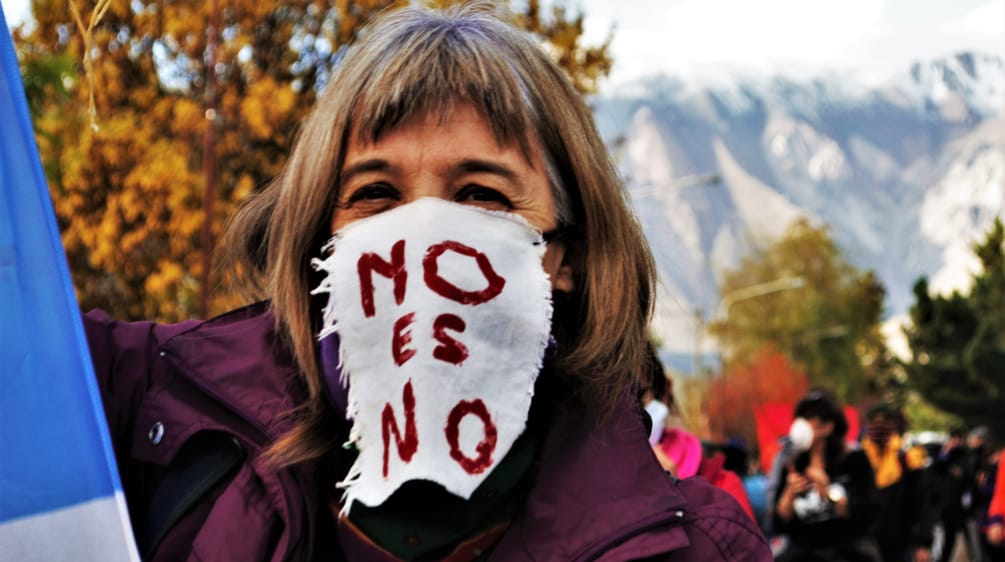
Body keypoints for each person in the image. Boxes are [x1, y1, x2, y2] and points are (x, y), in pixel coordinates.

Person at [81, 4, 770, 561]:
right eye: (376, 194)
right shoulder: (136, 411)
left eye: (483, 195)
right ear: (320, 241)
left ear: (567, 256)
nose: (424, 239)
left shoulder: (698, 550)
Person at [771, 390, 881, 561]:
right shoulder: (792, 465)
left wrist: (828, 492)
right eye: (801, 418)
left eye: (809, 419)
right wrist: (789, 494)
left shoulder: (854, 460)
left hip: (846, 552)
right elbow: (780, 524)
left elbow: (865, 515)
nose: (802, 425)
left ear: (828, 426)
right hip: (804, 554)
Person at [860, 404, 935, 562]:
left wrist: (923, 542)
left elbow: (922, 502)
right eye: (874, 423)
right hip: (863, 541)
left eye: (885, 423)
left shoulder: (908, 459)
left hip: (900, 542)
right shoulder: (858, 459)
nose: (879, 428)